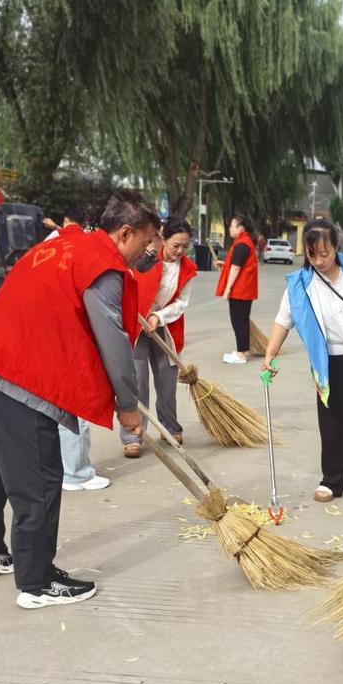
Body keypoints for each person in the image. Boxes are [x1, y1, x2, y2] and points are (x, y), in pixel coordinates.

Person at [0, 190, 161, 609]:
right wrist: (127, 405)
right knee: (41, 480)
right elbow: (113, 341)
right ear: (125, 233)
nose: (148, 251)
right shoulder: (102, 265)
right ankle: (36, 581)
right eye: (146, 241)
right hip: (24, 371)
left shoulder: (67, 243)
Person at [261, 218, 343, 502]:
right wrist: (270, 354)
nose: (319, 261)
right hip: (328, 358)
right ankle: (332, 481)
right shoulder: (300, 284)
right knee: (331, 419)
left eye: (325, 253)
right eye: (312, 254)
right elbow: (283, 321)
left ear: (336, 247)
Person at [40, 208, 112, 492]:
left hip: (53, 333)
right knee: (75, 408)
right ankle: (76, 473)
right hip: (64, 335)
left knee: (62, 406)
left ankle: (69, 468)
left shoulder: (49, 245)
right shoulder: (69, 246)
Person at [121, 217, 197, 457]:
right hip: (136, 326)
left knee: (166, 381)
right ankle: (133, 435)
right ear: (163, 238)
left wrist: (158, 316)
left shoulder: (188, 269)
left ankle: (169, 426)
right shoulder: (143, 260)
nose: (180, 251)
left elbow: (181, 303)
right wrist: (140, 315)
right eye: (175, 245)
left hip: (166, 326)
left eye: (185, 246)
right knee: (138, 381)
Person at [215, 215, 259, 364]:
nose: (229, 228)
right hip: (245, 289)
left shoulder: (241, 245)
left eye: (232, 226)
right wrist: (224, 264)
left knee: (238, 321)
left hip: (240, 290)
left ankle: (240, 355)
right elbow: (235, 264)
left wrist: (228, 289)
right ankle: (243, 350)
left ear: (240, 228)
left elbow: (236, 268)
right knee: (242, 321)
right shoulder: (244, 243)